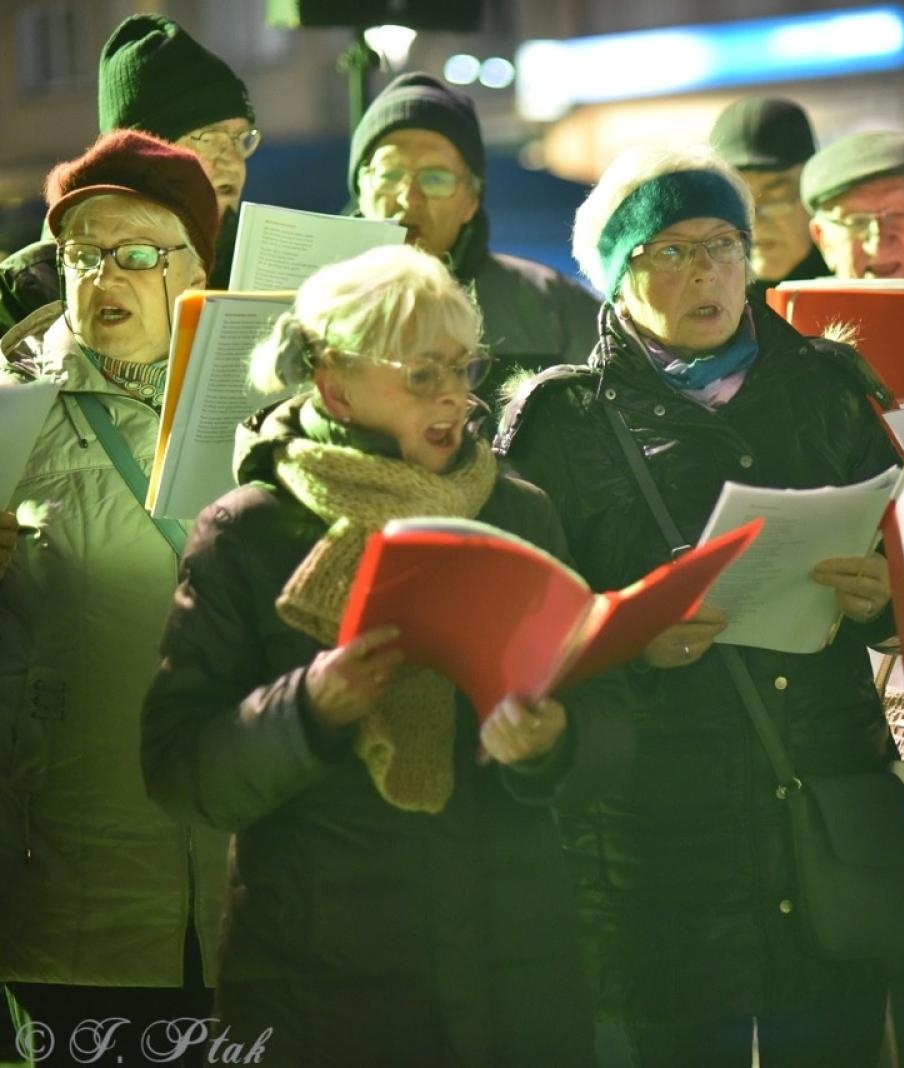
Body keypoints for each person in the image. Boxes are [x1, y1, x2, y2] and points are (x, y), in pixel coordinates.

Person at [139, 243, 634, 1065]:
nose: (453, 397)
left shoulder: (519, 510)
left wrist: (556, 742)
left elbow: (609, 721)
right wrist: (306, 709)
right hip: (319, 979)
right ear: (335, 383)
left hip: (514, 970)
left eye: (464, 369)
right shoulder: (248, 530)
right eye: (421, 373)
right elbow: (178, 770)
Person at [496, 145, 904, 1066]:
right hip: (660, 840)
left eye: (723, 245)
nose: (706, 271)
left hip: (821, 803)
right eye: (670, 250)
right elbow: (527, 644)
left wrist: (882, 593)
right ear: (618, 275)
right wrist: (631, 640)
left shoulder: (829, 384)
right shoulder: (560, 424)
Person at [0, 130, 224, 1067]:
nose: (102, 277)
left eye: (136, 253)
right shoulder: (12, 411)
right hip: (70, 870)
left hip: (245, 881)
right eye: (81, 254)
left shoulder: (267, 405)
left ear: (197, 266)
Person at [350, 72, 599, 405]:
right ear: (360, 187)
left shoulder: (553, 307)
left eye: (435, 178)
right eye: (389, 174)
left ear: (471, 200)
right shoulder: (305, 301)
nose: (409, 197)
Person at [0, 13, 257, 331]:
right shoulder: (26, 298)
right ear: (140, 154)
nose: (233, 162)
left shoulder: (257, 270)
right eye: (208, 139)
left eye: (241, 139)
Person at [709, 96, 830, 289]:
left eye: (777, 195)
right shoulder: (697, 294)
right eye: (737, 200)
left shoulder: (856, 281)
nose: (755, 221)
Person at [801, 130, 904, 280]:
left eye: (897, 214)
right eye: (856, 221)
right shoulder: (796, 296)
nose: (878, 245)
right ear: (824, 241)